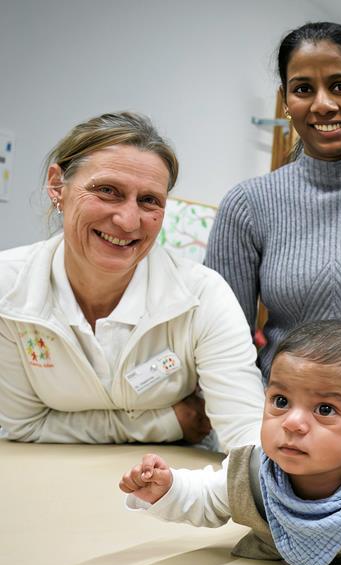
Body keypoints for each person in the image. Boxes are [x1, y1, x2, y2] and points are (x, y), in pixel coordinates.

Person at [0, 112, 262, 447]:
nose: (127, 221)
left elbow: (246, 434)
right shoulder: (8, 289)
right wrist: (170, 421)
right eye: (107, 190)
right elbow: (25, 425)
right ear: (57, 187)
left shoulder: (203, 296)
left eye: (149, 200)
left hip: (173, 485)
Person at [119, 321, 341, 565]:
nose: (293, 423)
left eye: (325, 409)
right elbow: (206, 497)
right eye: (281, 401)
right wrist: (166, 487)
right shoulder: (253, 469)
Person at [204, 22, 341, 377]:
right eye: (304, 89)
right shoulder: (247, 205)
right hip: (284, 416)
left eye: (340, 86)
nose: (322, 104)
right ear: (287, 102)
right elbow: (221, 347)